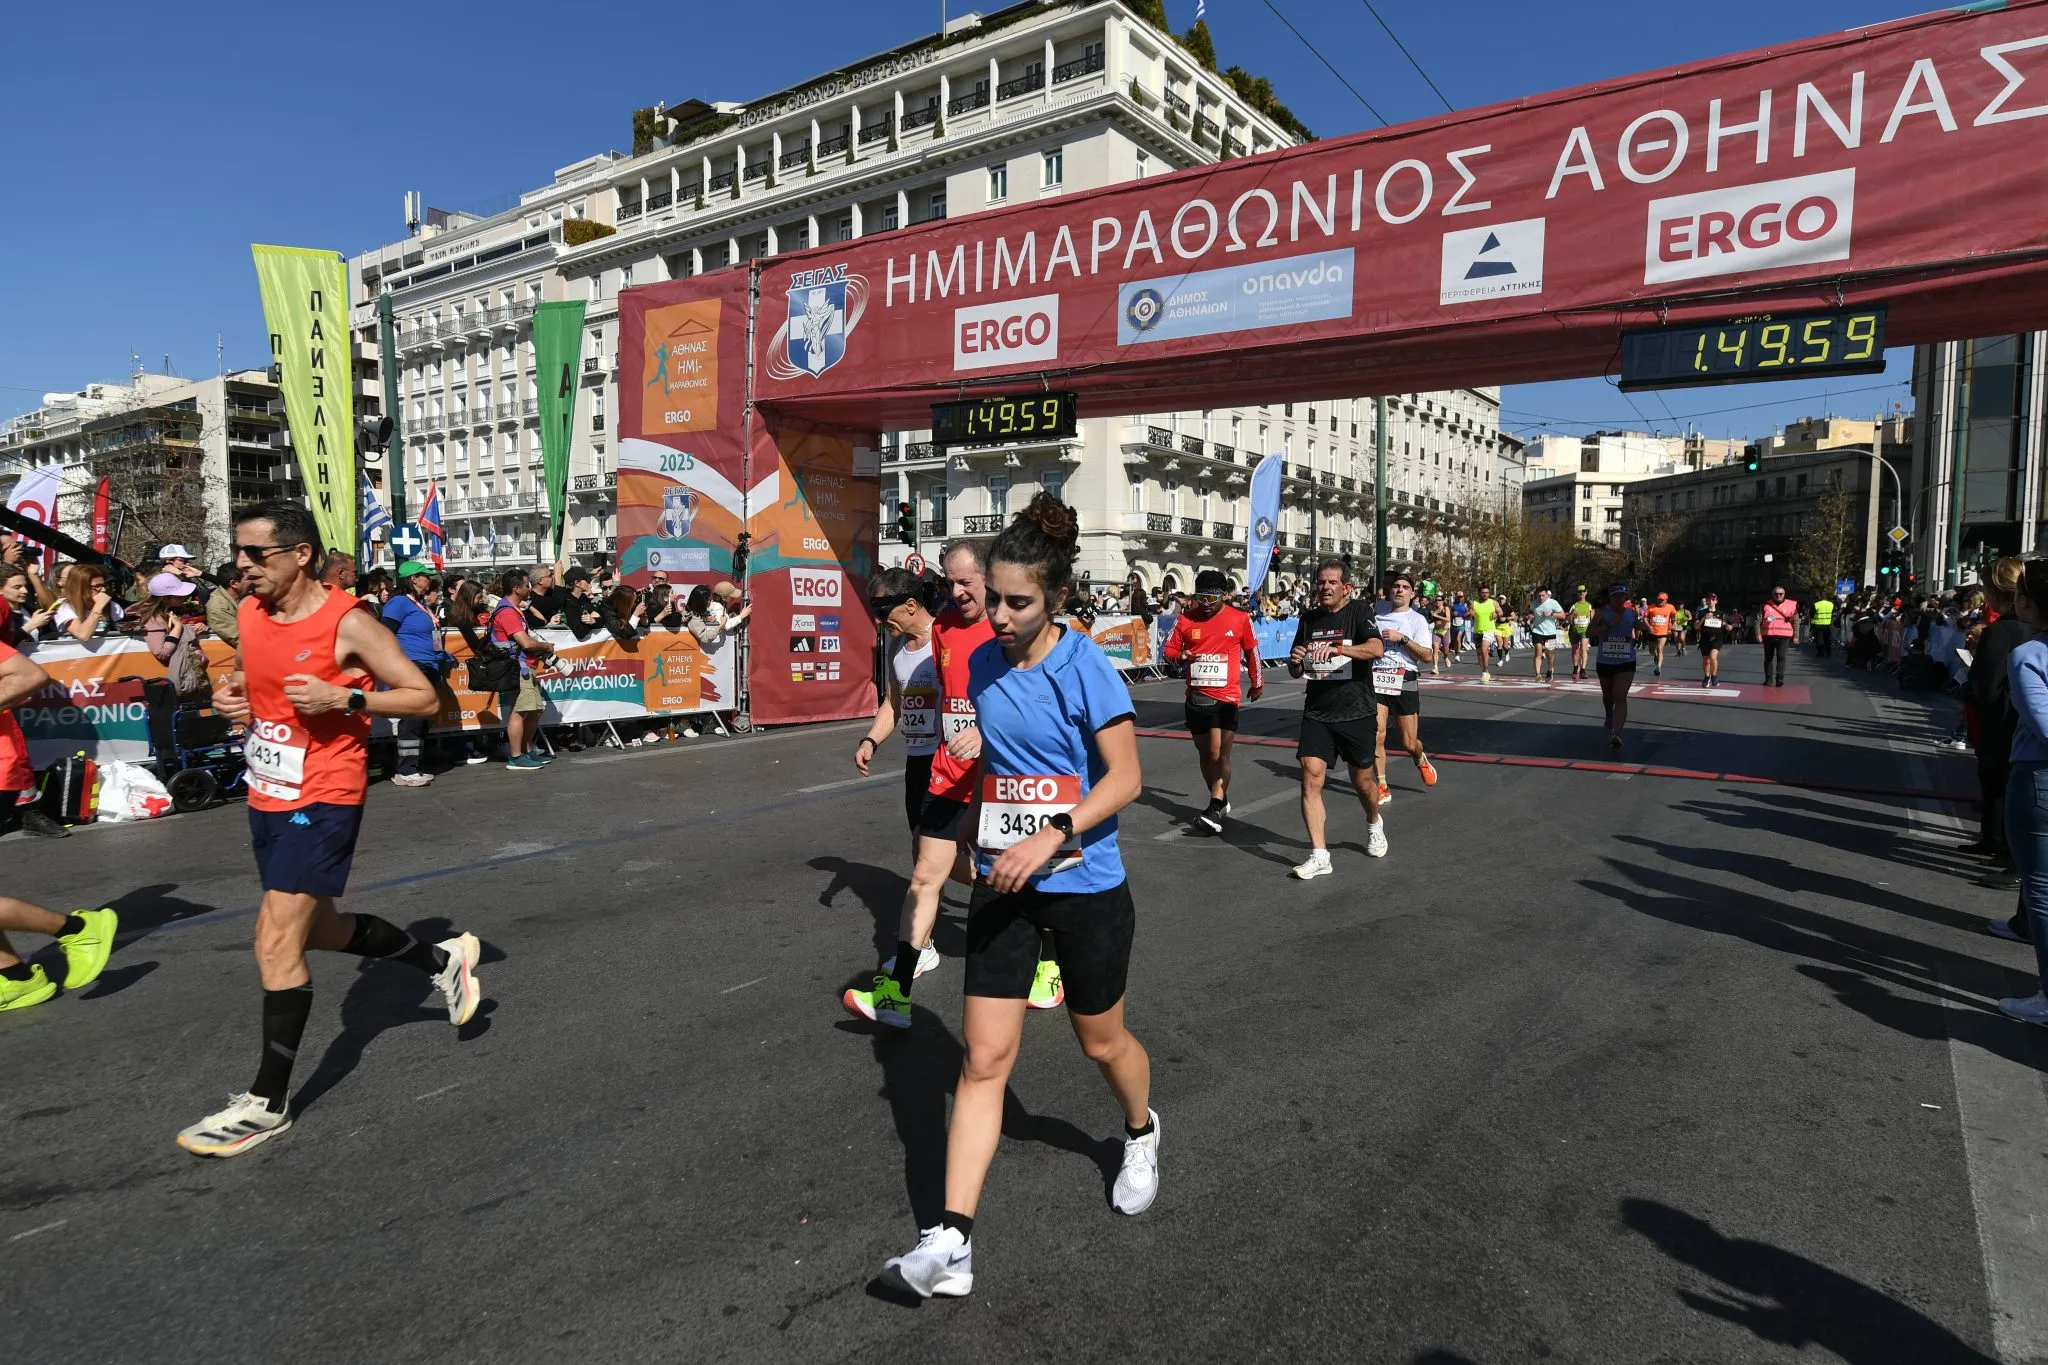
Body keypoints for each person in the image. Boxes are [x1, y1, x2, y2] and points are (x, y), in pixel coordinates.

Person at [880, 494, 1154, 1300]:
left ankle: (1141, 1130)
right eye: (992, 597)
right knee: (983, 1060)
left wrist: (1053, 833)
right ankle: (952, 1240)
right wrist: (973, 826)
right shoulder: (984, 663)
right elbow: (1002, 767)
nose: (998, 615)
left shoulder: (1087, 666)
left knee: (1101, 1043)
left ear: (1057, 598)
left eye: (1018, 602)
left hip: (1084, 883)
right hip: (1005, 881)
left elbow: (1126, 779)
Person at [176, 499, 483, 1157]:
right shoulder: (253, 612)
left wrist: (346, 696)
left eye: (256, 553)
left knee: (274, 941)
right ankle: (443, 960)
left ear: (301, 555)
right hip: (268, 788)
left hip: (323, 793)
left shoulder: (349, 622)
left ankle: (267, 1102)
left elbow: (423, 696)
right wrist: (229, 693)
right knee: (319, 930)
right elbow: (247, 677)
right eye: (238, 552)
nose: (242, 564)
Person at [844, 541, 1063, 1028]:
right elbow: (944, 695)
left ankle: (1049, 963)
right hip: (948, 773)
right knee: (925, 874)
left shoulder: (1012, 627)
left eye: (966, 582)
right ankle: (897, 993)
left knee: (1023, 874)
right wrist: (883, 736)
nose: (957, 591)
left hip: (1004, 776)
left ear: (989, 578)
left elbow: (1039, 696)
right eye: (949, 582)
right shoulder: (941, 628)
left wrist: (987, 730)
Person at [1287, 559, 1387, 880]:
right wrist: (1296, 660)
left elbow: (1376, 648)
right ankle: (1320, 855)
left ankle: (1373, 822)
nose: (1325, 587)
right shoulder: (1309, 618)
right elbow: (1295, 668)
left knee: (1362, 782)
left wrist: (1341, 650)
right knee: (1310, 778)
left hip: (1356, 711)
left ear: (1346, 587)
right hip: (1317, 712)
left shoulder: (1359, 611)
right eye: (1321, 582)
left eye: (1332, 582)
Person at [1161, 568, 1262, 834]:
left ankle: (1214, 807)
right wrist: (1181, 657)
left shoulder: (1239, 618)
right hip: (1196, 697)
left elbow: (1252, 651)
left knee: (1219, 752)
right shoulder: (1185, 619)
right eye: (1201, 598)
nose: (1205, 604)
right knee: (1205, 753)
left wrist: (1257, 683)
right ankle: (1220, 799)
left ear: (1224, 596)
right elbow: (1167, 650)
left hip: (1226, 696)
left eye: (1211, 599)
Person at [1995, 557, 2048, 1025]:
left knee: (2043, 891)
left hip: (2038, 778)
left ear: (2026, 602)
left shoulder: (2029, 654)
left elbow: (2042, 724)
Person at [382, 561, 454, 788]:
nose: (429, 580)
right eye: (425, 576)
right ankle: (406, 770)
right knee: (412, 719)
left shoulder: (421, 604)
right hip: (412, 667)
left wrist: (441, 656)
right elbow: (385, 634)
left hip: (429, 665)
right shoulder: (398, 603)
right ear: (413, 579)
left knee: (422, 718)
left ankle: (414, 766)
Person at [1370, 573, 1437, 806]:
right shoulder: (1378, 615)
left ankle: (1419, 758)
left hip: (1404, 678)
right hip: (1377, 678)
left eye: (1405, 587)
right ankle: (1382, 785)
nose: (1399, 590)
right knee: (1377, 735)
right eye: (1396, 586)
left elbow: (1427, 656)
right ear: (1390, 591)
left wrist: (1402, 639)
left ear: (1412, 593)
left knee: (1409, 742)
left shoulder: (1417, 620)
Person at [489, 568, 557, 770]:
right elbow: (525, 643)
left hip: (525, 666)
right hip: (516, 667)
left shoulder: (514, 609)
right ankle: (516, 756)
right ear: (516, 588)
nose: (530, 588)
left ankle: (526, 751)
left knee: (535, 710)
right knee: (520, 711)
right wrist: (545, 646)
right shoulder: (508, 612)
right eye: (527, 585)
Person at [1587, 584, 1640, 750]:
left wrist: (1642, 628)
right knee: (1608, 695)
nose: (1619, 599)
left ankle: (1617, 734)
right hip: (1605, 661)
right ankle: (1609, 714)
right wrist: (1609, 625)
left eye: (1622, 596)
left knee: (1620, 696)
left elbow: (1637, 627)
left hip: (1626, 661)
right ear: (1610, 597)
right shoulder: (1601, 613)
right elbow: (1590, 632)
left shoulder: (1632, 613)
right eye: (1616, 596)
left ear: (1625, 597)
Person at [52, 563, 122, 642]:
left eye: (104, 585)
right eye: (97, 586)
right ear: (81, 587)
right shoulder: (62, 605)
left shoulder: (112, 605)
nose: (103, 590)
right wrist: (98, 606)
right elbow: (83, 636)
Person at [0, 562, 54, 647]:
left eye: (25, 586)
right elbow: (4, 645)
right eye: (17, 587)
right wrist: (32, 625)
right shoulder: (3, 614)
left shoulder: (30, 610)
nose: (25, 591)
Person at [1761, 586, 1798, 686]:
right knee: (1768, 658)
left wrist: (1796, 636)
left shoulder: (1791, 605)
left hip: (1784, 636)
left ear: (1784, 594)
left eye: (1781, 594)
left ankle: (1779, 679)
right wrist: (1758, 634)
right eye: (1776, 594)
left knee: (1781, 657)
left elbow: (1796, 621)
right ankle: (1768, 679)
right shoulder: (1766, 605)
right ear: (1772, 595)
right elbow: (1758, 620)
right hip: (1768, 635)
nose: (1778, 596)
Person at [1527, 585, 1564, 682]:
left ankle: (1550, 669)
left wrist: (1552, 614)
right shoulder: (1534, 603)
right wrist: (1530, 616)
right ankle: (1538, 674)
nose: (1541, 598)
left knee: (1549, 654)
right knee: (1538, 652)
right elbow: (1531, 612)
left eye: (1543, 595)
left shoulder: (1553, 603)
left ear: (1547, 594)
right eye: (1539, 596)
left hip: (1550, 632)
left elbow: (1563, 615)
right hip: (1537, 630)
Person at [206, 562, 246, 644]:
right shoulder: (218, 608)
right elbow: (240, 639)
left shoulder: (240, 595)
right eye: (249, 578)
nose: (254, 581)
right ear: (234, 583)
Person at [1696, 593, 1729, 688]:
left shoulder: (1721, 613)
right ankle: (1707, 677)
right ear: (1706, 601)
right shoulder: (1701, 612)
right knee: (1706, 660)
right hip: (1705, 639)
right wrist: (1703, 618)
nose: (1711, 601)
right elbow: (1696, 626)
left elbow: (1725, 623)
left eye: (1713, 599)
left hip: (1716, 638)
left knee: (1713, 657)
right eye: (1709, 599)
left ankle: (1714, 676)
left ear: (1716, 601)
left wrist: (1728, 626)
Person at [1470, 586, 1499, 683]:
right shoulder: (1474, 603)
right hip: (1477, 630)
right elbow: (1468, 614)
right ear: (1479, 593)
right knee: (1480, 654)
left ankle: (1485, 672)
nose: (1485, 594)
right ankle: (1484, 671)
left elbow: (1500, 612)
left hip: (1489, 630)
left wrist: (1497, 614)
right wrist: (1469, 613)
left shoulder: (1493, 602)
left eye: (1486, 592)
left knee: (1484, 649)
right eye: (1483, 592)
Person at [1567, 586, 1596, 682]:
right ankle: (1575, 668)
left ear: (1586, 592)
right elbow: (1569, 619)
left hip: (1585, 630)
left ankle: (1583, 669)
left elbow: (1592, 619)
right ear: (1577, 593)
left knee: (1583, 648)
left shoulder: (1589, 606)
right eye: (1580, 591)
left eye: (1583, 591)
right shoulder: (1574, 606)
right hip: (1575, 630)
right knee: (1575, 650)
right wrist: (1572, 614)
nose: (1581, 593)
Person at [1644, 593, 1677, 676]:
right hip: (1652, 632)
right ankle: (1655, 655)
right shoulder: (1651, 607)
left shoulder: (1670, 607)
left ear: (1666, 600)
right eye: (1659, 599)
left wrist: (1674, 622)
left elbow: (1674, 614)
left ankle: (1658, 667)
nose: (1660, 601)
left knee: (1660, 649)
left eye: (1662, 600)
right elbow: (1645, 618)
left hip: (1663, 632)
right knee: (1652, 651)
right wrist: (1648, 627)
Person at [1428, 593, 1453, 675]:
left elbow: (1448, 619)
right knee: (1435, 648)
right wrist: (1432, 616)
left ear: (1443, 601)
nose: (1437, 602)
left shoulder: (1445, 608)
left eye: (1439, 600)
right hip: (1436, 631)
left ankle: (1446, 657)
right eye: (1436, 600)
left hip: (1445, 631)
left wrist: (1437, 616)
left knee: (1446, 650)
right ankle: (1435, 667)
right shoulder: (1434, 610)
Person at [1810, 593, 1836, 658]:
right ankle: (1828, 652)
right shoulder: (1831, 604)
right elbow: (1833, 612)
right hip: (1827, 624)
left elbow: (1811, 614)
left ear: (1820, 598)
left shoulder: (1816, 604)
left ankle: (1820, 652)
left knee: (1819, 639)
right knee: (1827, 639)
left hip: (1818, 624)